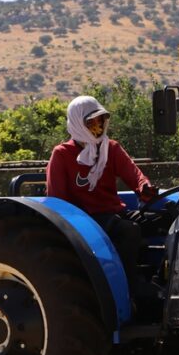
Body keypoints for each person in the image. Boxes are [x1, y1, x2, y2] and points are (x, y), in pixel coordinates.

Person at [46, 95, 158, 297]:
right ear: (78, 123)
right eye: (91, 122)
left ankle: (162, 281)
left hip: (113, 213)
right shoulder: (62, 154)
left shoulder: (111, 148)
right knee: (129, 231)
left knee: (163, 220)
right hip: (85, 220)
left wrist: (145, 187)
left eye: (100, 120)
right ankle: (127, 291)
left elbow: (135, 175)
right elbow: (57, 200)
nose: (98, 126)